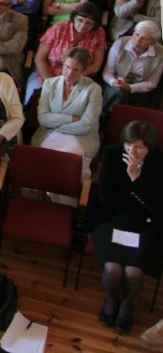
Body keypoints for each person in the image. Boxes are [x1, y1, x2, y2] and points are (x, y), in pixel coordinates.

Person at [89, 121, 163, 336]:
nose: (132, 151)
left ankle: (127, 303)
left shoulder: (159, 162)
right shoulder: (112, 154)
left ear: (149, 147)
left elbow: (157, 205)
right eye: (129, 145)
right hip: (112, 218)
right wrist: (129, 183)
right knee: (113, 269)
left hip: (145, 223)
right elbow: (106, 198)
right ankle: (112, 299)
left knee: (133, 271)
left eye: (139, 147)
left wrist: (136, 179)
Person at [34, 47, 103, 187]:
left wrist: (55, 123)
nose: (70, 73)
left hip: (80, 138)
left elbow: (86, 126)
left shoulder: (93, 89)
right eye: (67, 67)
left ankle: (63, 199)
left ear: (84, 71)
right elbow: (43, 119)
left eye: (76, 70)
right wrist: (71, 118)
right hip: (49, 134)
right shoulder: (49, 84)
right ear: (63, 64)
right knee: (42, 164)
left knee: (67, 166)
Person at [29, 3, 107, 98]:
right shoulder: (58, 28)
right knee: (34, 97)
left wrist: (72, 78)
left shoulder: (99, 33)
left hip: (79, 78)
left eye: (89, 23)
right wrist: (53, 83)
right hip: (48, 75)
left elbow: (95, 66)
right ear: (74, 17)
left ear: (95, 25)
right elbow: (39, 59)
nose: (83, 26)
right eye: (80, 20)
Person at [103, 21, 163, 112]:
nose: (137, 40)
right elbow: (108, 72)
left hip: (141, 89)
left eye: (144, 39)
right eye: (136, 34)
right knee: (119, 94)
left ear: (153, 42)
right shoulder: (120, 43)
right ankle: (108, 118)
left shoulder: (161, 54)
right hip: (116, 84)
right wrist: (114, 82)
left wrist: (130, 88)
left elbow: (151, 83)